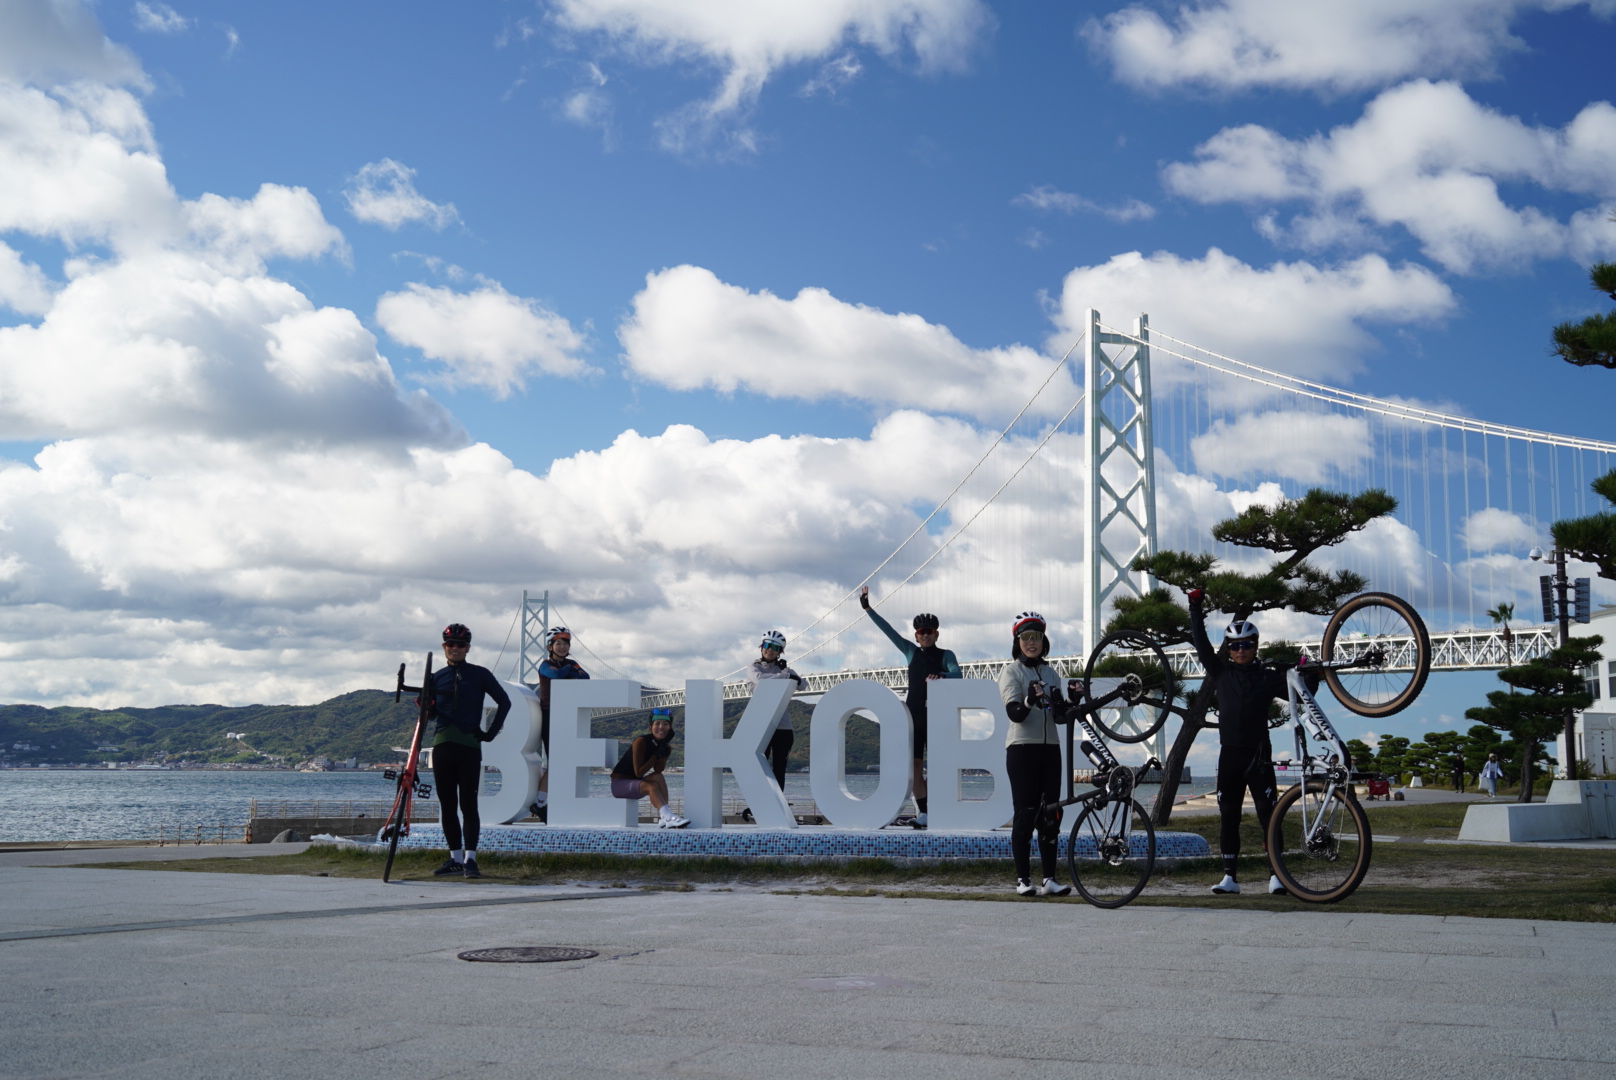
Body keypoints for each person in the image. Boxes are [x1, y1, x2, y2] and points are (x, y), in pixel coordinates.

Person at [1187, 589, 1290, 898]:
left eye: (1246, 645)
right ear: (1229, 649)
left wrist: (1304, 670)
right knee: (1228, 818)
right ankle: (1229, 877)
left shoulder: (1268, 676)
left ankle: (1278, 876)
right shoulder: (1220, 672)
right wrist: (1195, 607)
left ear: (1255, 646)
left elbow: (1303, 689)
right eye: (1235, 646)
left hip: (1259, 755)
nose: (1241, 650)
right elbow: (1201, 644)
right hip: (1229, 755)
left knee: (1268, 817)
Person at [859, 585, 962, 828]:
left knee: (937, 767)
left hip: (936, 717)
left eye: (929, 631)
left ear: (937, 634)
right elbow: (889, 631)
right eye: (920, 631)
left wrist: (942, 676)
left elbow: (958, 674)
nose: (924, 635)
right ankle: (925, 814)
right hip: (913, 716)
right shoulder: (910, 651)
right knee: (915, 765)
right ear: (916, 635)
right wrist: (867, 608)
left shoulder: (946, 655)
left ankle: (940, 809)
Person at [996, 611, 1074, 898]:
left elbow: (1060, 717)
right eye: (1026, 637)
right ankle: (1023, 879)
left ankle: (1050, 879)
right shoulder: (1011, 671)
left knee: (1052, 814)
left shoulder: (1052, 673)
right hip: (1022, 749)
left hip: (1050, 749)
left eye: (1037, 637)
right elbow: (1015, 714)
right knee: (1026, 814)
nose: (1032, 642)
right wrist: (1029, 698)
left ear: (1044, 641)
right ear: (1018, 641)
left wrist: (1072, 703)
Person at [426, 623, 511, 880]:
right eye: (450, 644)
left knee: (469, 805)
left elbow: (504, 701)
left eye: (460, 644)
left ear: (468, 648)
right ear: (444, 647)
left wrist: (490, 733)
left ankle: (471, 860)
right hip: (442, 746)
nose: (455, 648)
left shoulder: (480, 674)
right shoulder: (435, 677)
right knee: (447, 805)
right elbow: (429, 716)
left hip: (470, 747)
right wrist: (424, 706)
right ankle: (454, 858)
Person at [532, 626, 589, 823]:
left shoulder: (572, 663)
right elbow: (555, 676)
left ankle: (555, 801)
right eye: (558, 643)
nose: (563, 646)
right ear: (550, 646)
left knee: (565, 762)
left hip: (567, 715)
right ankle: (540, 803)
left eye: (566, 643)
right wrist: (570, 670)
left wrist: (570, 670)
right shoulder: (544, 665)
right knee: (555, 762)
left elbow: (586, 678)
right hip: (550, 715)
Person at [745, 630, 806, 790]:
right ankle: (758, 804)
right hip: (761, 725)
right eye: (766, 645)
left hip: (783, 726)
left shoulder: (784, 669)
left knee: (779, 769)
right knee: (759, 768)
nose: (769, 649)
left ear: (780, 652)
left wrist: (789, 674)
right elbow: (760, 680)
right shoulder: (754, 667)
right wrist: (785, 676)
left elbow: (803, 685)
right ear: (761, 647)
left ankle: (777, 806)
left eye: (775, 647)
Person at [610, 708, 689, 828]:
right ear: (650, 727)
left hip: (635, 783)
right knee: (652, 786)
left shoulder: (665, 747)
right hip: (619, 784)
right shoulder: (641, 741)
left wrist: (663, 751)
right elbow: (638, 772)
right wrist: (656, 755)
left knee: (658, 777)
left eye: (665, 724)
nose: (661, 727)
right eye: (657, 724)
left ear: (670, 728)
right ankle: (668, 816)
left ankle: (664, 818)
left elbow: (658, 770)